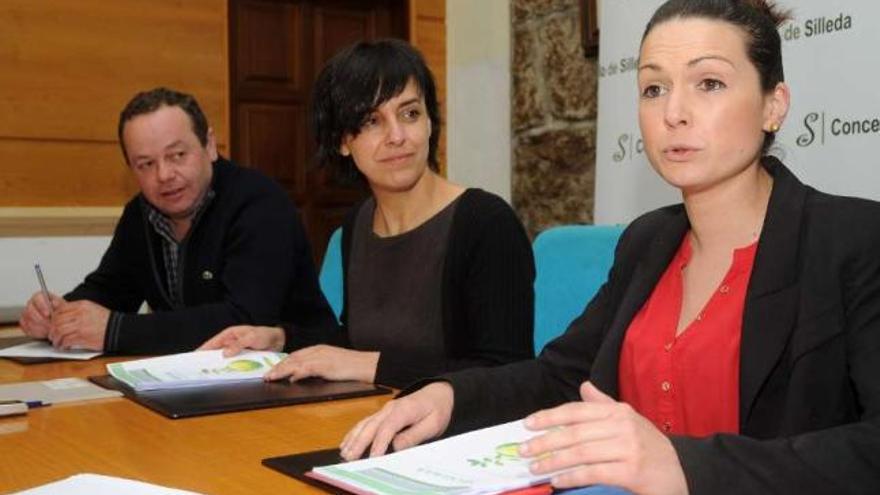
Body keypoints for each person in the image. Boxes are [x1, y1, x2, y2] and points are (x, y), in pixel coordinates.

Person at [338, 1, 880, 493]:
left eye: (709, 83)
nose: (674, 112)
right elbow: (560, 375)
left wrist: (684, 466)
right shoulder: (649, 241)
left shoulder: (852, 240)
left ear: (773, 105)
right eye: (653, 88)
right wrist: (449, 397)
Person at [201, 39, 536, 389]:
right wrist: (282, 341)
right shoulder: (357, 225)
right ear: (342, 141)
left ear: (430, 122)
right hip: (374, 420)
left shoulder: (486, 223)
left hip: (456, 435)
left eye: (410, 113)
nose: (397, 136)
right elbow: (360, 344)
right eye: (372, 120)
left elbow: (507, 374)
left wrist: (367, 364)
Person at [18, 87, 336, 354]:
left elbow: (245, 318)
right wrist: (57, 314)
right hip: (196, 382)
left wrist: (115, 331)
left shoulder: (259, 203)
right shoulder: (140, 214)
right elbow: (109, 289)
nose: (164, 175)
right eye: (145, 164)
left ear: (209, 145)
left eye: (177, 155)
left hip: (297, 378)